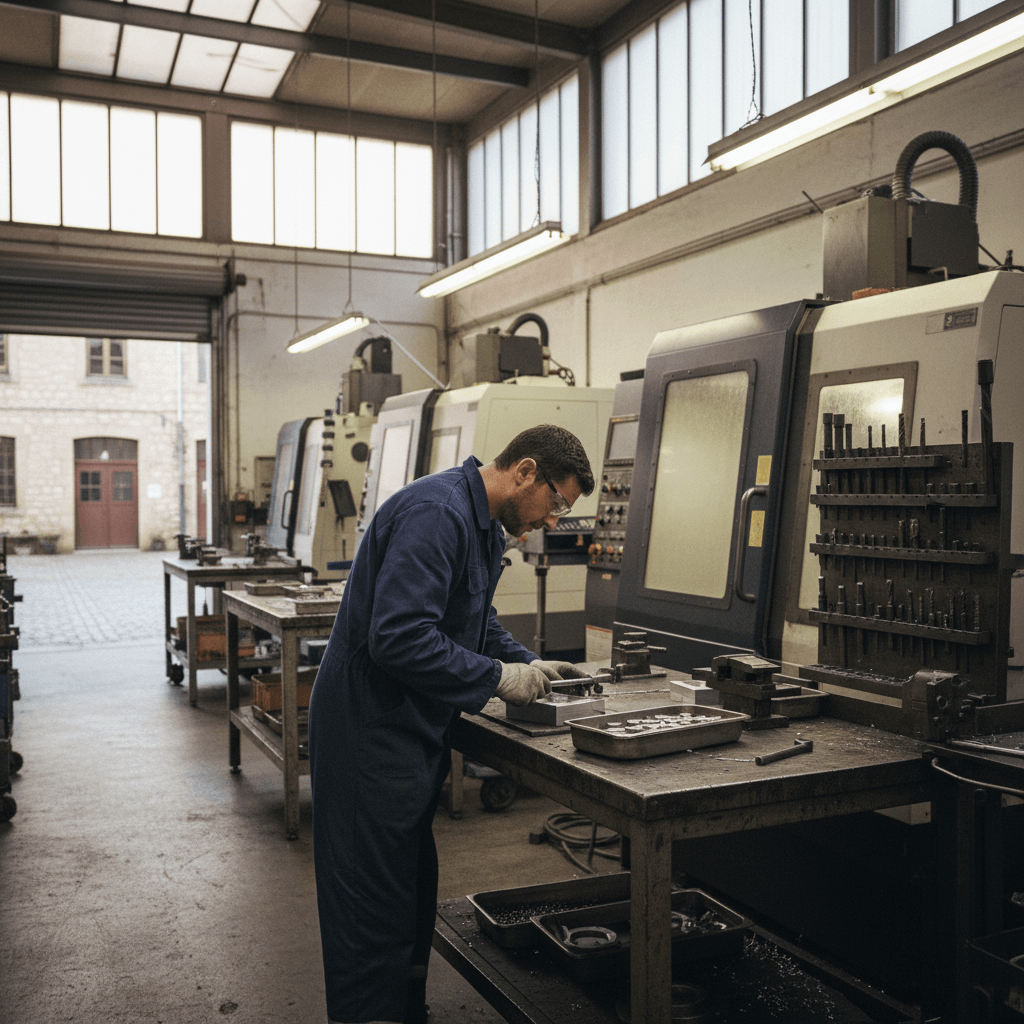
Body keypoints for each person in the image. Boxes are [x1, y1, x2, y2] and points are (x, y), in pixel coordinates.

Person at [308, 423, 596, 1024]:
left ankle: (404, 1011)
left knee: (408, 894)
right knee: (371, 910)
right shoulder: (438, 514)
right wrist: (496, 679)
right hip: (370, 733)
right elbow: (399, 637)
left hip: (408, 733)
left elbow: (473, 622)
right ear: (524, 473)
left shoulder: (482, 525)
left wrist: (526, 662)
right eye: (557, 503)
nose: (553, 519)